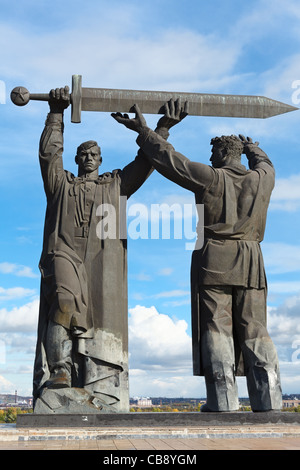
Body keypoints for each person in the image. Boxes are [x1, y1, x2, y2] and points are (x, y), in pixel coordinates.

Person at [112, 102, 282, 412]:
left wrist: (146, 132)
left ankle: (223, 400)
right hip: (252, 259)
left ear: (222, 155)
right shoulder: (262, 179)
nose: (210, 158)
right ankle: (270, 400)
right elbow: (266, 164)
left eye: (214, 153)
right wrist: (253, 149)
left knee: (217, 328)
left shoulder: (212, 178)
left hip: (216, 257)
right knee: (256, 328)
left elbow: (170, 161)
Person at [33, 87, 180, 412]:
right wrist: (56, 115)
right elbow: (48, 155)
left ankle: (91, 383)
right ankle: (59, 372)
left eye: (93, 154)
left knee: (95, 323)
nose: (87, 158)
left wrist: (162, 129)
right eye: (82, 154)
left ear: (100, 160)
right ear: (76, 159)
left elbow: (145, 163)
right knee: (65, 300)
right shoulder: (61, 184)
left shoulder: (115, 185)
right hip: (64, 252)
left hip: (99, 263)